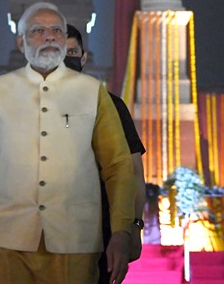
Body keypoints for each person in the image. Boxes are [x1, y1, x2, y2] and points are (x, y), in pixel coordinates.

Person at [0, 2, 135, 284]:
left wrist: (122, 231)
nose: (49, 37)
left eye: (56, 30)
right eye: (38, 31)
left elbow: (118, 166)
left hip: (75, 240)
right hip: (6, 239)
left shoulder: (92, 93)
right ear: (20, 42)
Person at [65, 24, 146, 283]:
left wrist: (133, 226)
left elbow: (133, 170)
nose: (68, 58)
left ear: (84, 57)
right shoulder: (29, 106)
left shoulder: (111, 105)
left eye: (73, 51)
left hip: (100, 232)